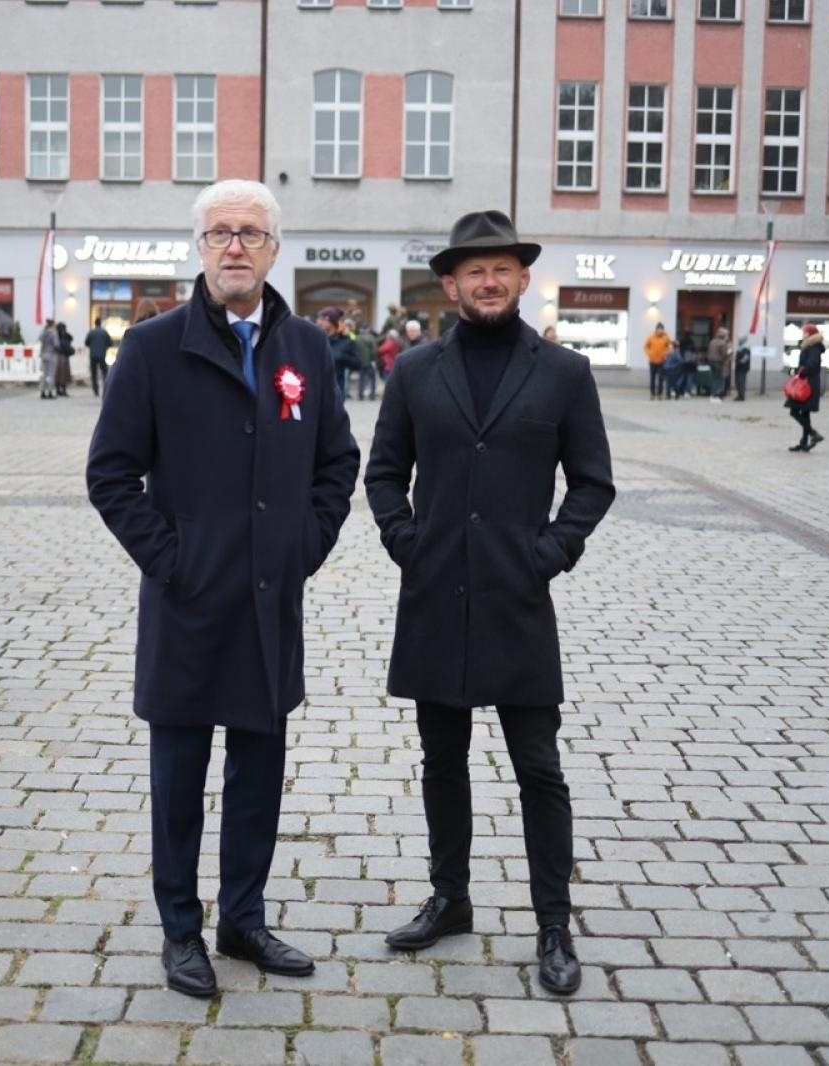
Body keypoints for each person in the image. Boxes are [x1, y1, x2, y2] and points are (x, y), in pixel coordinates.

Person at [86, 179, 360, 1000]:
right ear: (199, 249)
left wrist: (302, 546)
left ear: (274, 248)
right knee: (179, 778)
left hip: (270, 605)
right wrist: (175, 561)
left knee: (258, 773)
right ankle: (181, 930)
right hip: (186, 603)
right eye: (219, 233)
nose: (234, 246)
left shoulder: (306, 348)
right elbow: (110, 475)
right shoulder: (152, 347)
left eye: (249, 232)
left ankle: (243, 917)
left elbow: (336, 464)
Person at [364, 210, 615, 996]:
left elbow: (594, 483)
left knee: (538, 767)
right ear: (449, 283)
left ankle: (552, 925)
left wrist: (549, 554)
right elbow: (382, 475)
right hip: (435, 597)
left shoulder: (564, 373)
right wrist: (408, 542)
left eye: (501, 267)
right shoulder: (413, 372)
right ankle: (451, 899)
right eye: (473, 270)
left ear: (522, 277)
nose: (488, 280)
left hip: (517, 602)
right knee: (443, 761)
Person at [787, 323, 825, 452]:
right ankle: (804, 442)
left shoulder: (813, 348)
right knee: (804, 413)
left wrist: (796, 371)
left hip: (808, 385)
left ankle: (813, 434)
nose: (802, 334)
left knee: (794, 411)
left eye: (804, 332)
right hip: (806, 384)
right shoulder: (809, 346)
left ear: (809, 334)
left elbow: (811, 366)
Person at [319, 307, 360, 399]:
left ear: (332, 322)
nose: (320, 322)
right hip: (316, 392)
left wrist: (342, 357)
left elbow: (357, 364)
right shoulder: (316, 339)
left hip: (336, 393)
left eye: (323, 319)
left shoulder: (346, 341)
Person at [84, 316, 112, 397]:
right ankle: (106, 388)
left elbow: (86, 343)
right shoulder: (104, 332)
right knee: (105, 373)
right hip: (102, 355)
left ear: (95, 323)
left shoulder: (91, 332)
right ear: (100, 323)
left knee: (94, 373)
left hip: (93, 355)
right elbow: (110, 343)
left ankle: (95, 390)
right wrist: (104, 347)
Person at [353, 319, 380, 401]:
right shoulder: (371, 338)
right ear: (368, 329)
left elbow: (354, 350)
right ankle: (372, 395)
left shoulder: (356, 338)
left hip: (360, 361)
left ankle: (360, 395)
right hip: (370, 362)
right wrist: (374, 360)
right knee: (372, 379)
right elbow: (374, 351)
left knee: (361, 379)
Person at [644, 322, 671, 399]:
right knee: (652, 378)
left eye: (661, 329)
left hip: (661, 361)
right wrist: (649, 353)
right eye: (659, 329)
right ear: (656, 330)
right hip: (652, 361)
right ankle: (652, 393)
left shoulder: (666, 338)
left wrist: (666, 353)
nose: (660, 331)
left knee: (660, 378)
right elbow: (646, 347)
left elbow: (670, 347)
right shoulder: (651, 337)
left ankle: (660, 394)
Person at [38, 317, 62, 400]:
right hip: (52, 355)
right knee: (51, 374)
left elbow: (40, 339)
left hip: (44, 354)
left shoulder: (44, 331)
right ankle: (50, 392)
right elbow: (56, 344)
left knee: (44, 374)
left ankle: (42, 391)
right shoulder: (54, 332)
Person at [707, 327, 731, 401]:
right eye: (727, 335)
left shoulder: (712, 341)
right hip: (719, 363)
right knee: (720, 379)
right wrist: (730, 351)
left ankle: (712, 395)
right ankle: (718, 395)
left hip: (711, 362)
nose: (727, 336)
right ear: (724, 335)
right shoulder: (723, 343)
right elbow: (724, 354)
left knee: (714, 379)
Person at [54, 320, 73, 397]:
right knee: (64, 374)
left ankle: (58, 389)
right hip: (64, 356)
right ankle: (63, 389)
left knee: (59, 374)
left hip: (58, 356)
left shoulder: (57, 335)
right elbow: (71, 338)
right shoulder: (65, 336)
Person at [732, 333, 752, 401]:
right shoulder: (739, 348)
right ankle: (739, 395)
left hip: (742, 368)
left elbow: (745, 359)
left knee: (741, 382)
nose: (738, 340)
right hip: (738, 368)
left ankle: (741, 396)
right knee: (737, 382)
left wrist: (739, 363)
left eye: (739, 339)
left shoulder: (746, 348)